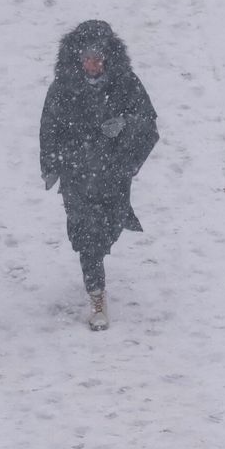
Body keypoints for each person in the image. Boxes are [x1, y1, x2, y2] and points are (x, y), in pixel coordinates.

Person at [39, 20, 159, 330]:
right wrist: (52, 165)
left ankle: (97, 265)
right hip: (77, 175)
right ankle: (96, 296)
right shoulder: (63, 87)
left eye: (97, 58)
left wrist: (124, 127)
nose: (92, 65)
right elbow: (49, 127)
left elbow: (148, 125)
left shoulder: (127, 84)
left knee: (108, 231)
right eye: (86, 59)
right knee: (87, 237)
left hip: (113, 176)